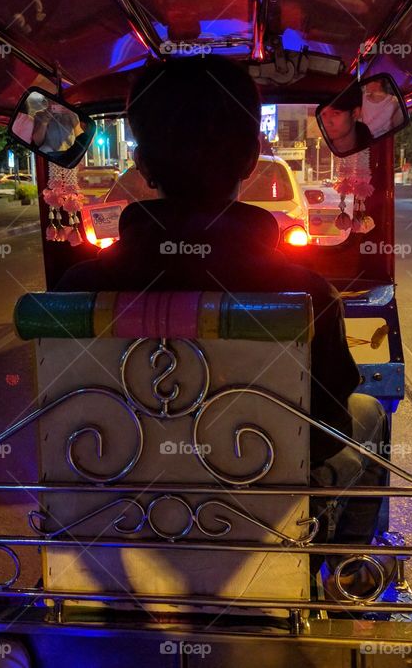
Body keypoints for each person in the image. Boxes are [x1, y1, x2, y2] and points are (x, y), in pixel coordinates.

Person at [57, 56, 392, 598]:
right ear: (250, 157)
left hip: (116, 505)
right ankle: (345, 574)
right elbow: (327, 424)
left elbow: (69, 418)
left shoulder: (76, 290)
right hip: (264, 499)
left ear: (141, 163)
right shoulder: (305, 295)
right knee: (368, 413)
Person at [319, 81, 374, 157]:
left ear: (355, 113)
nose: (328, 123)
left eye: (336, 113)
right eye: (323, 114)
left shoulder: (370, 151)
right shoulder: (322, 152)